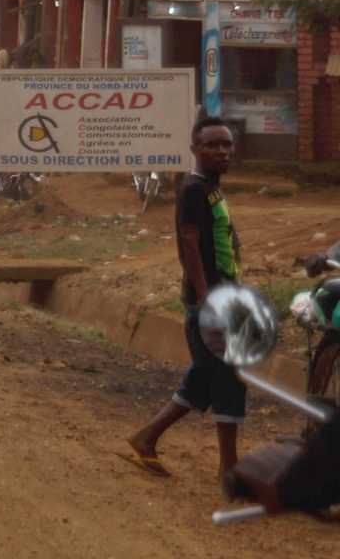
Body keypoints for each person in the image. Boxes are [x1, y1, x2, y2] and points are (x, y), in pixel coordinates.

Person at [124, 117, 244, 480]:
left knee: (217, 377)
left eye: (226, 144)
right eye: (212, 145)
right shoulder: (193, 189)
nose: (222, 151)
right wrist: (207, 298)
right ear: (194, 149)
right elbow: (189, 246)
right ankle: (224, 466)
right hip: (209, 303)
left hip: (223, 298)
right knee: (218, 376)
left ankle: (152, 439)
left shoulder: (210, 187)